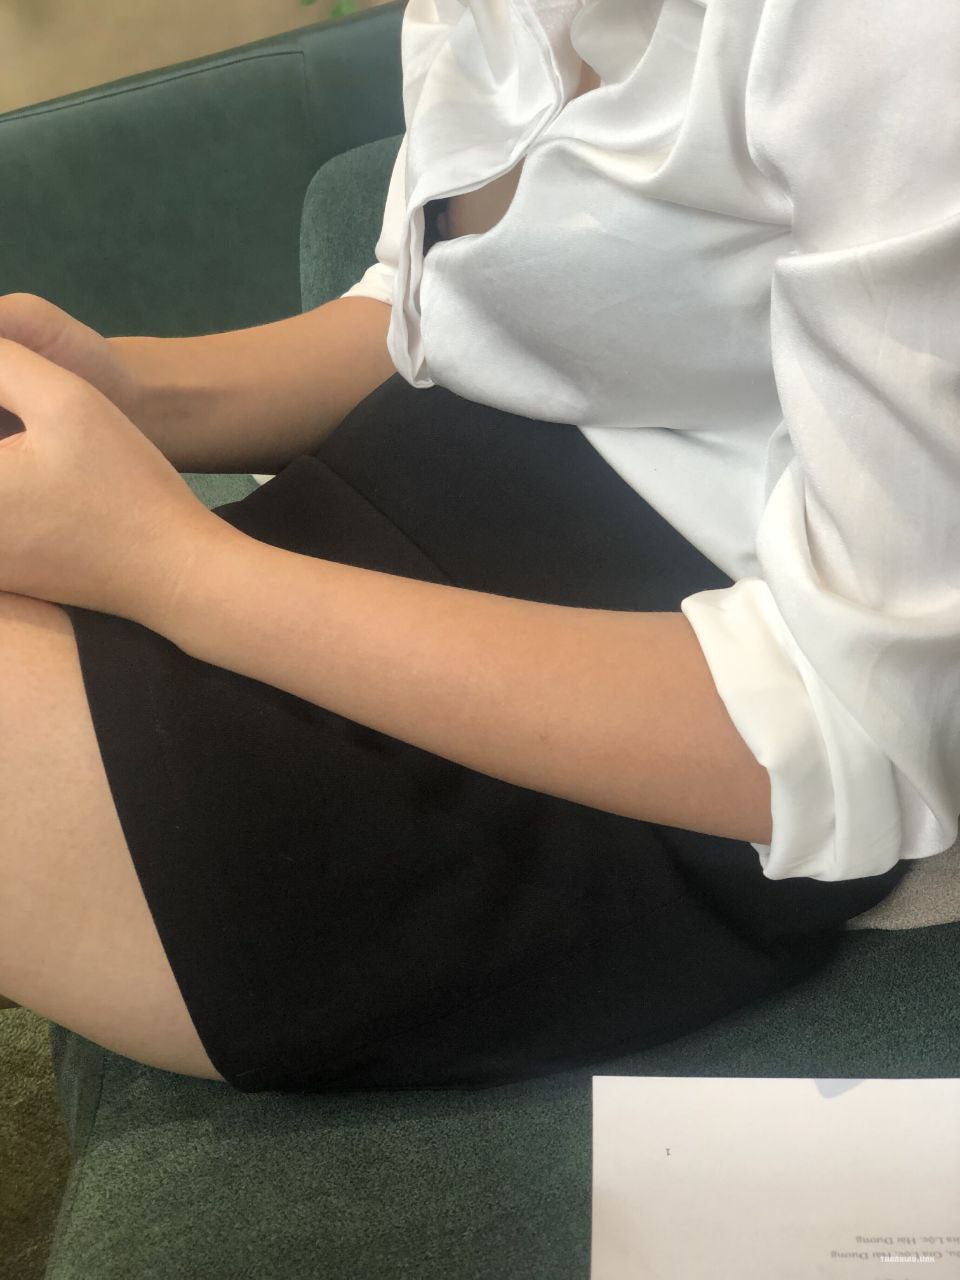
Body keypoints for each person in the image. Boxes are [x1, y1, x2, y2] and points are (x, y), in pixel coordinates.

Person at [0, 0, 955, 1093]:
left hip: (671, 743)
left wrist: (170, 566)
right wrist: (136, 396)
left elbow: (867, 725)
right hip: (401, 516)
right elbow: (444, 315)